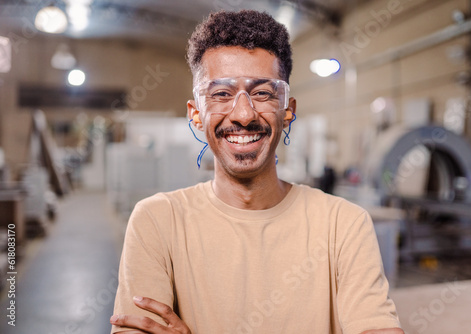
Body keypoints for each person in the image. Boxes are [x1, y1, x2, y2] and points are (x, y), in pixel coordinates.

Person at [110, 9, 403, 334]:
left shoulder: (343, 226)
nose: (244, 114)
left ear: (287, 111)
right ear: (196, 114)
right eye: (221, 94)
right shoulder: (157, 222)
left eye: (263, 93)